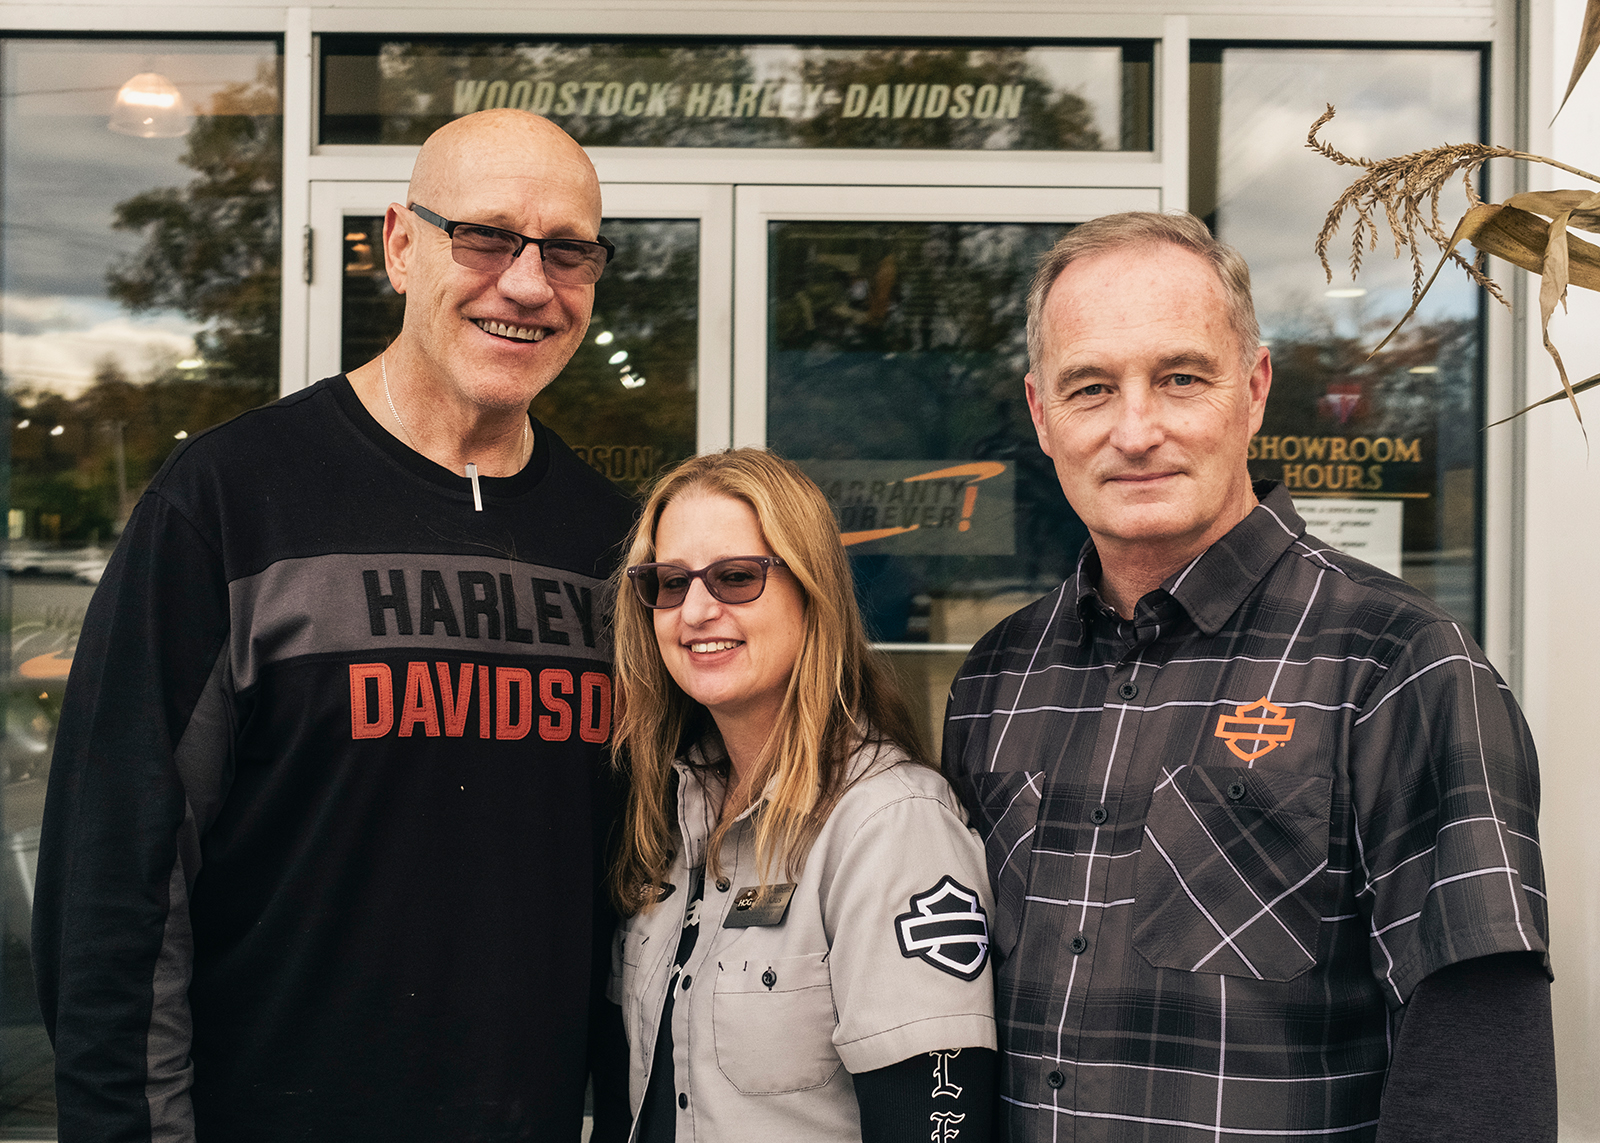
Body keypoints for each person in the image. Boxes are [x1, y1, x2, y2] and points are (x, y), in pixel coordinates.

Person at [33, 109, 635, 1142]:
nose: (529, 284)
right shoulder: (229, 501)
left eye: (567, 251)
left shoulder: (611, 545)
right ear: (400, 244)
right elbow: (117, 881)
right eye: (486, 236)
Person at [942, 211, 1556, 1142]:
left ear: (1255, 389)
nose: (1136, 429)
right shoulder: (996, 678)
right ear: (1041, 414)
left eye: (1180, 378)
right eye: (1091, 388)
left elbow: (1477, 1065)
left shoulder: (1396, 662)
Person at [607, 449, 997, 1142]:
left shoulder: (889, 826)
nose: (696, 609)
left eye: (734, 577)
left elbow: (936, 1120)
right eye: (670, 582)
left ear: (810, 590)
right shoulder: (669, 811)